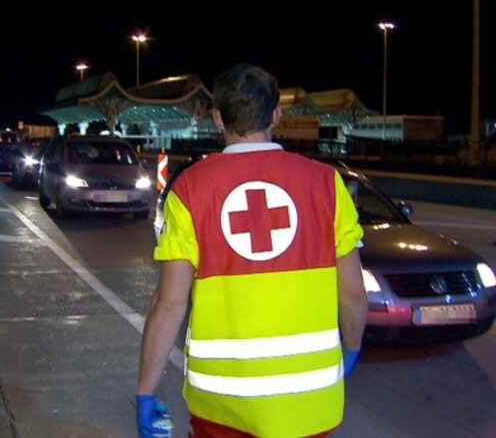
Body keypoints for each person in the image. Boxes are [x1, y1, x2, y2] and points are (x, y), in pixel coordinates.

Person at [136, 64, 368, 438]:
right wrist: (352, 347)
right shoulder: (326, 184)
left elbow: (170, 303)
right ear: (277, 114)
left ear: (216, 118)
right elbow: (353, 293)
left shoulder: (190, 189)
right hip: (308, 404)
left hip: (222, 404)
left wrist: (146, 391)